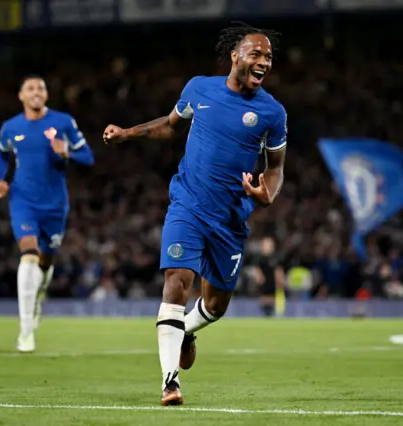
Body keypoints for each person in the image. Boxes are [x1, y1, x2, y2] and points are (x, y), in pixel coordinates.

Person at [103, 22, 287, 406]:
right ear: (235, 56)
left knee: (216, 305)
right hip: (187, 202)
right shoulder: (199, 88)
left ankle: (185, 330)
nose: (263, 62)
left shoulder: (272, 113)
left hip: (231, 217)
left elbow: (275, 167)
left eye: (268, 56)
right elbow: (170, 128)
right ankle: (170, 383)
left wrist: (266, 194)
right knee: (177, 279)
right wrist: (128, 134)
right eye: (256, 54)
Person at [0, 75, 94, 352]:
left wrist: (66, 154)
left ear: (46, 95)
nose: (36, 92)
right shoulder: (10, 127)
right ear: (21, 96)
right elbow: (2, 155)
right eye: (30, 88)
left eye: (41, 88)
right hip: (22, 200)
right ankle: (26, 331)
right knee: (28, 253)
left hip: (55, 205)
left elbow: (88, 157)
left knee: (46, 262)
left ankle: (37, 296)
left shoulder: (63, 122)